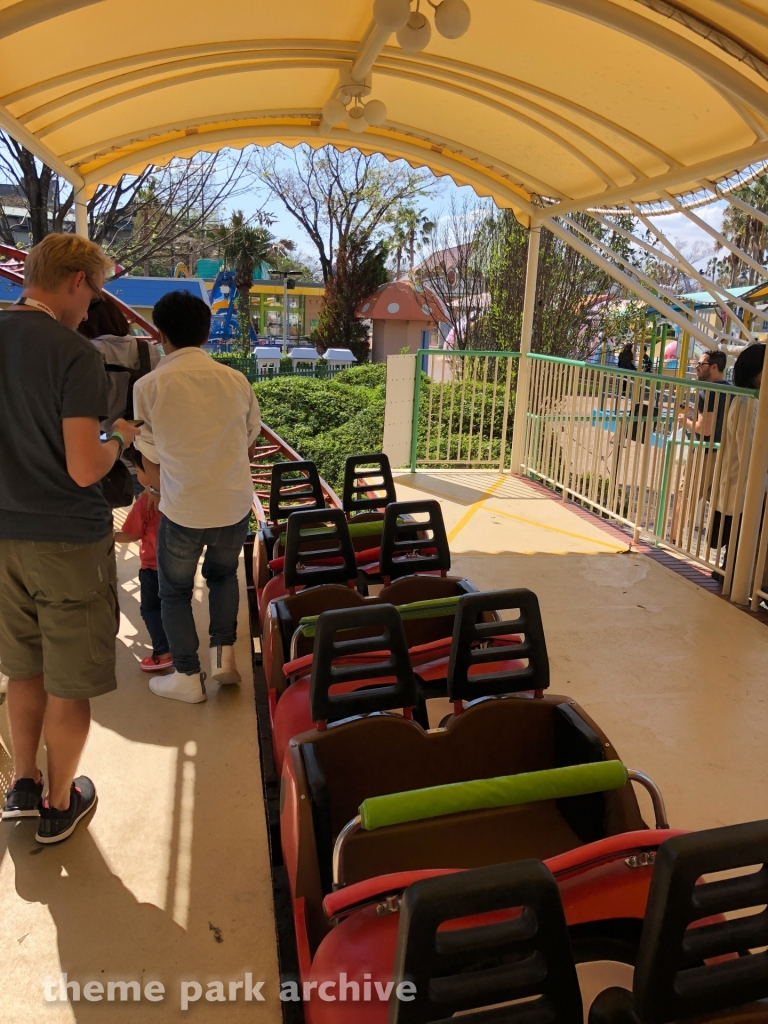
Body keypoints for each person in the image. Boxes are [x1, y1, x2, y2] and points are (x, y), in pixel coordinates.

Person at [0, 233, 140, 842]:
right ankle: (61, 803)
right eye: (95, 291)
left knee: (21, 670)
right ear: (77, 281)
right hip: (66, 541)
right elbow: (86, 466)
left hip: (3, 538)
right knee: (67, 681)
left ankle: (22, 785)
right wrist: (120, 438)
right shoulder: (72, 353)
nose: (92, 309)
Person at [133, 291, 261, 704]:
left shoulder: (147, 386)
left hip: (182, 508)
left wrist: (155, 485)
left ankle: (187, 677)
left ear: (161, 335)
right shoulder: (236, 380)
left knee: (174, 592)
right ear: (206, 334)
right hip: (232, 505)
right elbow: (250, 440)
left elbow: (149, 454)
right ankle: (223, 657)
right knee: (223, 577)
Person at [78, 294, 162, 498]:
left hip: (103, 444)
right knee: (148, 512)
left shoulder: (88, 351)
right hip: (144, 447)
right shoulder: (148, 351)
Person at [711, 343, 767, 582]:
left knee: (742, 539)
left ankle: (732, 576)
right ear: (756, 372)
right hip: (746, 486)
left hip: (748, 485)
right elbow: (752, 449)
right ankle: (733, 579)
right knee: (742, 538)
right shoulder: (747, 403)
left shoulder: (754, 401)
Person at [114, 448, 171, 672]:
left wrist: (108, 536)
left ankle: (163, 653)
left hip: (153, 568)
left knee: (150, 609)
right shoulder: (180, 495)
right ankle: (183, 649)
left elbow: (131, 534)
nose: (137, 476)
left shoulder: (146, 501)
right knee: (175, 606)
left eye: (139, 470)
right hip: (178, 565)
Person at [672, 350, 729, 542]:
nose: (696, 367)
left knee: (684, 496)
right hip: (723, 453)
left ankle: (673, 540)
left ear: (714, 367)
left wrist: (684, 421)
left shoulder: (708, 391)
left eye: (700, 364)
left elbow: (705, 429)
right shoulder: (730, 389)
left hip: (704, 453)